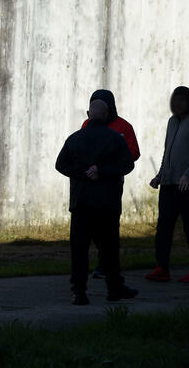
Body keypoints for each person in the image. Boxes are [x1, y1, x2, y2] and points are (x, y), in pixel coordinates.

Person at [56, 99, 139, 305]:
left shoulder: (74, 139)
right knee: (109, 248)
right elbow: (128, 164)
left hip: (81, 202)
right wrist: (102, 172)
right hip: (107, 203)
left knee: (79, 249)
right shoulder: (115, 138)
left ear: (88, 114)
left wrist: (82, 173)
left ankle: (79, 292)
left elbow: (60, 164)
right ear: (107, 114)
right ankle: (114, 288)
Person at [146, 86, 189, 283]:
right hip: (169, 183)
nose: (177, 104)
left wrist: (188, 175)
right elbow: (168, 152)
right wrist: (160, 175)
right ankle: (162, 268)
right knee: (164, 226)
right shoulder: (172, 122)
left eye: (181, 100)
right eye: (174, 101)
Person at [81, 89, 140, 279]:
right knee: (94, 225)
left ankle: (104, 265)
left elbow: (133, 153)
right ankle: (105, 263)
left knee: (109, 224)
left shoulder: (123, 127)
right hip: (91, 183)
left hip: (112, 182)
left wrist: (106, 166)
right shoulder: (87, 125)